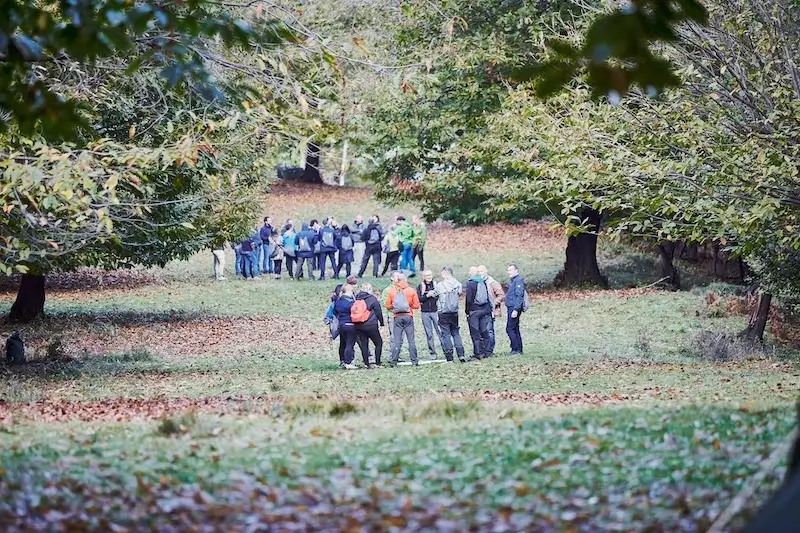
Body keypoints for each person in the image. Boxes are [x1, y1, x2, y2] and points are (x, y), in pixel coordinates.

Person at [429, 267, 466, 362]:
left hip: (443, 312)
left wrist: (430, 293)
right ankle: (461, 354)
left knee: (446, 334)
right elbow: (460, 294)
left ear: (446, 274)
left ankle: (449, 357)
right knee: (456, 333)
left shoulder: (441, 285)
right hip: (454, 312)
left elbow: (435, 294)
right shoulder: (458, 284)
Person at [385, 271, 421, 367]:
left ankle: (394, 361)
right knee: (411, 340)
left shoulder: (392, 291)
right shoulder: (411, 290)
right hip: (408, 316)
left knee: (397, 340)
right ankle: (414, 360)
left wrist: (395, 308)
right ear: (406, 280)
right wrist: (409, 306)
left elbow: (388, 306)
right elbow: (416, 305)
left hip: (397, 317)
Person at [353, 283, 384, 367]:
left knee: (364, 344)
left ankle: (366, 363)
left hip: (358, 325)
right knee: (378, 343)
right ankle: (377, 362)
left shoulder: (356, 298)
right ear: (369, 289)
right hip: (371, 325)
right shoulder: (372, 299)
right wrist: (381, 323)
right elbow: (378, 312)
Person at [478, 265, 505, 356]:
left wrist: (494, 303)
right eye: (479, 271)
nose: (480, 273)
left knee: (489, 330)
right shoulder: (479, 282)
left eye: (481, 271)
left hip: (491, 311)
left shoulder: (492, 282)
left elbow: (501, 295)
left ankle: (489, 350)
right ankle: (484, 349)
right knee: (483, 331)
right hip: (482, 310)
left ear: (486, 271)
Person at [465, 266, 492, 360]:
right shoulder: (483, 281)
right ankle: (486, 352)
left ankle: (478, 354)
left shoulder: (470, 283)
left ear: (471, 273)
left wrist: (467, 311)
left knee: (475, 333)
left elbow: (468, 300)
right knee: (484, 331)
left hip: (474, 311)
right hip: (483, 310)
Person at [417, 269, 442, 359]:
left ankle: (446, 350)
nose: (429, 277)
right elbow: (419, 299)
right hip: (425, 312)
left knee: (440, 331)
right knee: (429, 333)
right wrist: (427, 295)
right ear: (423, 277)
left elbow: (440, 296)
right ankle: (432, 353)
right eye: (427, 275)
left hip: (435, 311)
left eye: (430, 275)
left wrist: (434, 295)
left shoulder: (436, 284)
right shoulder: (421, 286)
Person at [333, 284, 358, 369]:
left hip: (341, 325)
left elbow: (335, 312)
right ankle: (348, 362)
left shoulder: (337, 302)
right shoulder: (351, 303)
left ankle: (342, 360)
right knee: (349, 344)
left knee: (342, 343)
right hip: (351, 325)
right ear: (349, 291)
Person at [505, 264, 526, 355]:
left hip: (514, 308)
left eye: (510, 270)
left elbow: (519, 296)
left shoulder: (518, 281)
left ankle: (515, 349)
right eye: (508, 270)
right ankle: (519, 349)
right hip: (512, 307)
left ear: (516, 271)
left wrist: (516, 309)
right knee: (515, 328)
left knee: (509, 329)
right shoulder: (513, 281)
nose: (509, 272)